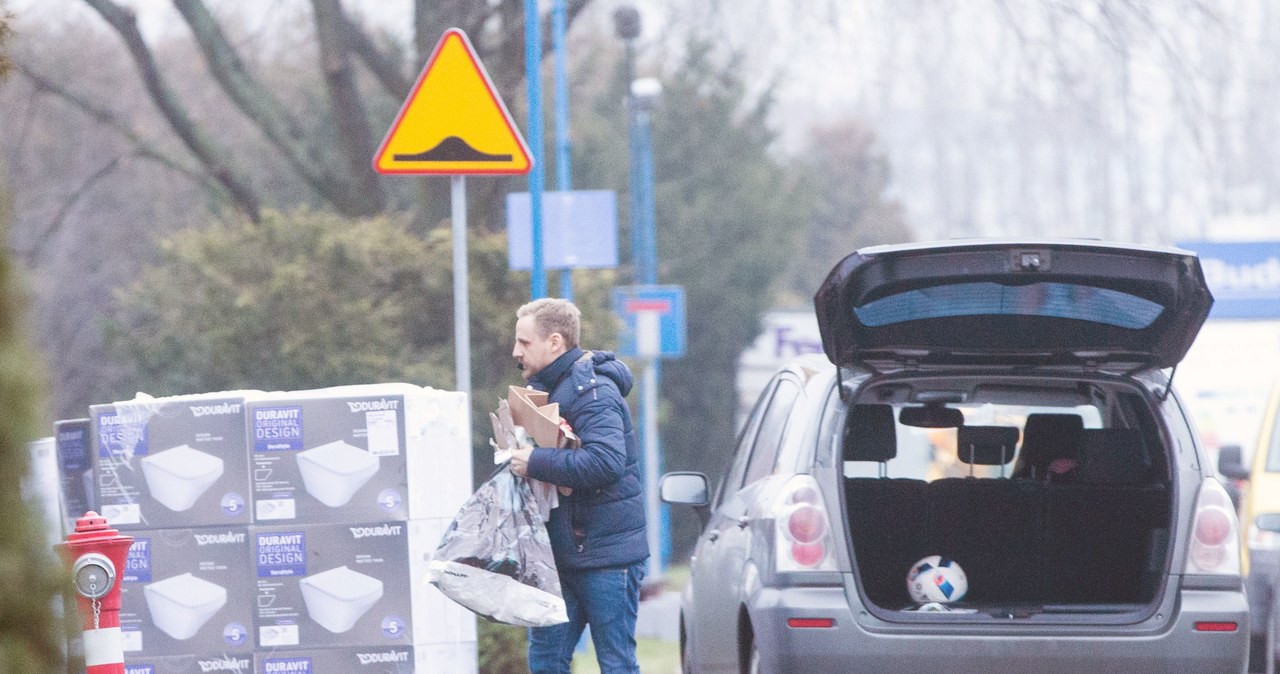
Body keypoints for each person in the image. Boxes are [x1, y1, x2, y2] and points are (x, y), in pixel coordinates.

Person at [508, 297, 648, 674]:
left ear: (555, 343)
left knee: (616, 664)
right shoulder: (552, 391)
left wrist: (534, 461)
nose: (515, 351)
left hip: (606, 557)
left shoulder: (593, 394)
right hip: (561, 556)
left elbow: (605, 463)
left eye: (524, 342)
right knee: (546, 662)